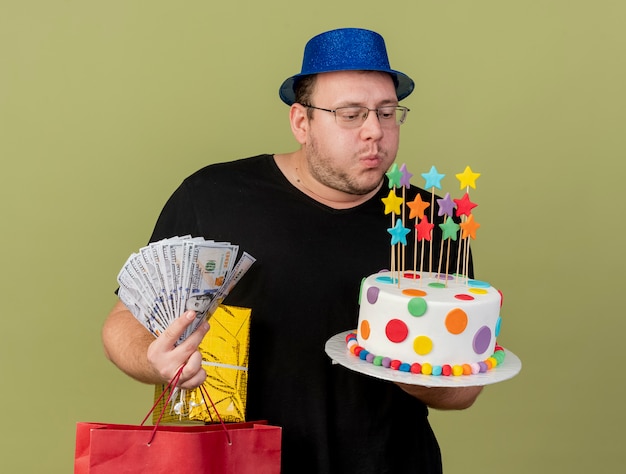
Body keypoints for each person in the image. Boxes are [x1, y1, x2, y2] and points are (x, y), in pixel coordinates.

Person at [102, 27, 483, 473]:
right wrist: (156, 360)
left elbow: (463, 392)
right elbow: (123, 323)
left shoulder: (428, 222)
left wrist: (418, 373)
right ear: (302, 122)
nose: (374, 132)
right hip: (241, 463)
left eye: (386, 112)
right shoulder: (213, 196)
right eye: (350, 114)